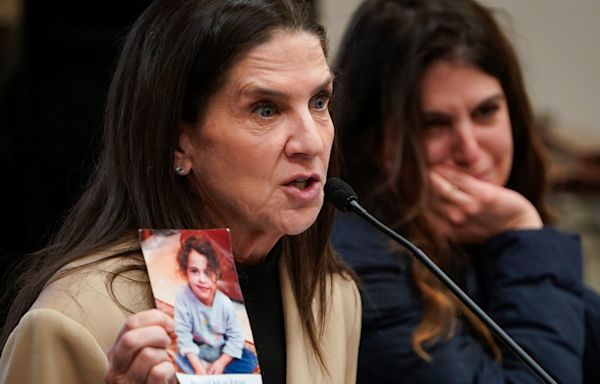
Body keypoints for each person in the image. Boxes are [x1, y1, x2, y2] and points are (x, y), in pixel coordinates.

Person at [0, 0, 361, 383]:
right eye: (266, 110)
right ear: (178, 142)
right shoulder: (75, 321)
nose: (310, 142)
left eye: (319, 102)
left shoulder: (332, 296)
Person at [331, 0, 599, 383]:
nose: (470, 151)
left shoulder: (482, 233)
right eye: (434, 124)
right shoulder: (360, 259)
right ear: (373, 140)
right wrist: (522, 234)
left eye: (486, 112)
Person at [173, 234, 257, 375]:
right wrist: (199, 369)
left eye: (208, 272)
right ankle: (205, 366)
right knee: (179, 356)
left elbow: (235, 337)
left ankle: (215, 368)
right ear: (185, 271)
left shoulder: (224, 303)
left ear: (217, 273)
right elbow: (184, 336)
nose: (201, 279)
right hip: (198, 348)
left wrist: (221, 362)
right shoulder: (182, 297)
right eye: (194, 271)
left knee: (250, 360)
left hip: (219, 348)